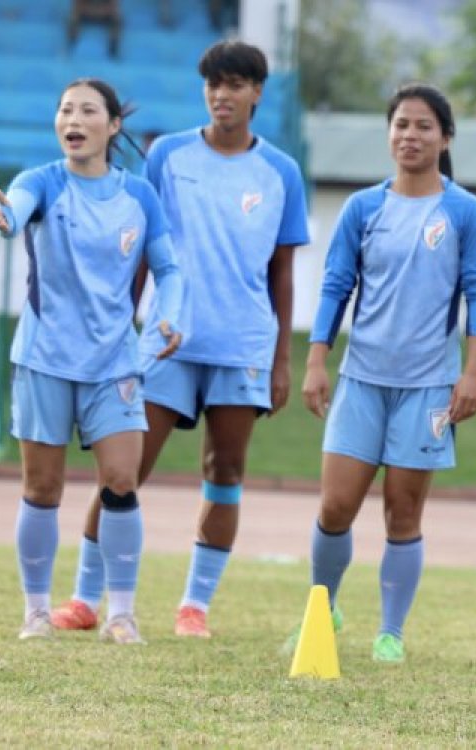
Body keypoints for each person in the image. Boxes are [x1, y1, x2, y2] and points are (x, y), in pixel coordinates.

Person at [48, 41, 310, 638]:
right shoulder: (166, 155)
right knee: (125, 469)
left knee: (225, 471)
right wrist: (122, 326)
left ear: (257, 93)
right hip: (165, 342)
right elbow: (141, 246)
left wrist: (281, 361)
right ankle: (86, 597)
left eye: (236, 84)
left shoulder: (281, 173)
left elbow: (282, 273)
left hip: (242, 344)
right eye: (214, 84)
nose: (223, 94)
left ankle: (195, 605)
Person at [283, 83, 476, 662]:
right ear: (388, 133)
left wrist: (473, 372)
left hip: (428, 387)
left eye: (424, 126)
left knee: (403, 511)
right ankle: (321, 610)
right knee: (335, 507)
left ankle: (391, 633)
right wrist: (316, 361)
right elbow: (334, 287)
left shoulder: (465, 212)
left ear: (445, 137)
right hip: (361, 381)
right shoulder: (363, 208)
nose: (411, 135)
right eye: (401, 124)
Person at [0, 78, 183, 645]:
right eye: (65, 110)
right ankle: (35, 612)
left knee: (121, 481)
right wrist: (7, 219)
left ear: (112, 125)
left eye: (87, 110)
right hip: (44, 359)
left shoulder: (139, 196)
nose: (72, 119)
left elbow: (169, 270)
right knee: (41, 488)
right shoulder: (40, 183)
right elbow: (17, 207)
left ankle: (121, 614)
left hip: (115, 364)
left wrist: (166, 318)